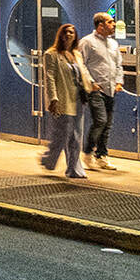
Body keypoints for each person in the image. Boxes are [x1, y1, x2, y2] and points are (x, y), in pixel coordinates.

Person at [39, 22, 95, 178]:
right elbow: (49, 78)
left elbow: (83, 72)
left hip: (78, 99)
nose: (69, 35)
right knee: (63, 135)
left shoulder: (76, 54)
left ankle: (74, 169)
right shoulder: (51, 54)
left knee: (77, 136)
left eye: (72, 32)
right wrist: (53, 99)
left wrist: (91, 84)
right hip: (62, 100)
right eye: (66, 32)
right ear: (61, 35)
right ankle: (48, 160)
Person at [78, 11, 125, 170]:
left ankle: (102, 156)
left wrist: (119, 81)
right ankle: (87, 152)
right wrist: (90, 83)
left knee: (108, 124)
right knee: (101, 121)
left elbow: (118, 64)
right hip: (95, 89)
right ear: (100, 25)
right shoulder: (87, 42)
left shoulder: (113, 44)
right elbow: (81, 64)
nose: (113, 25)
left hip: (111, 88)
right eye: (110, 22)